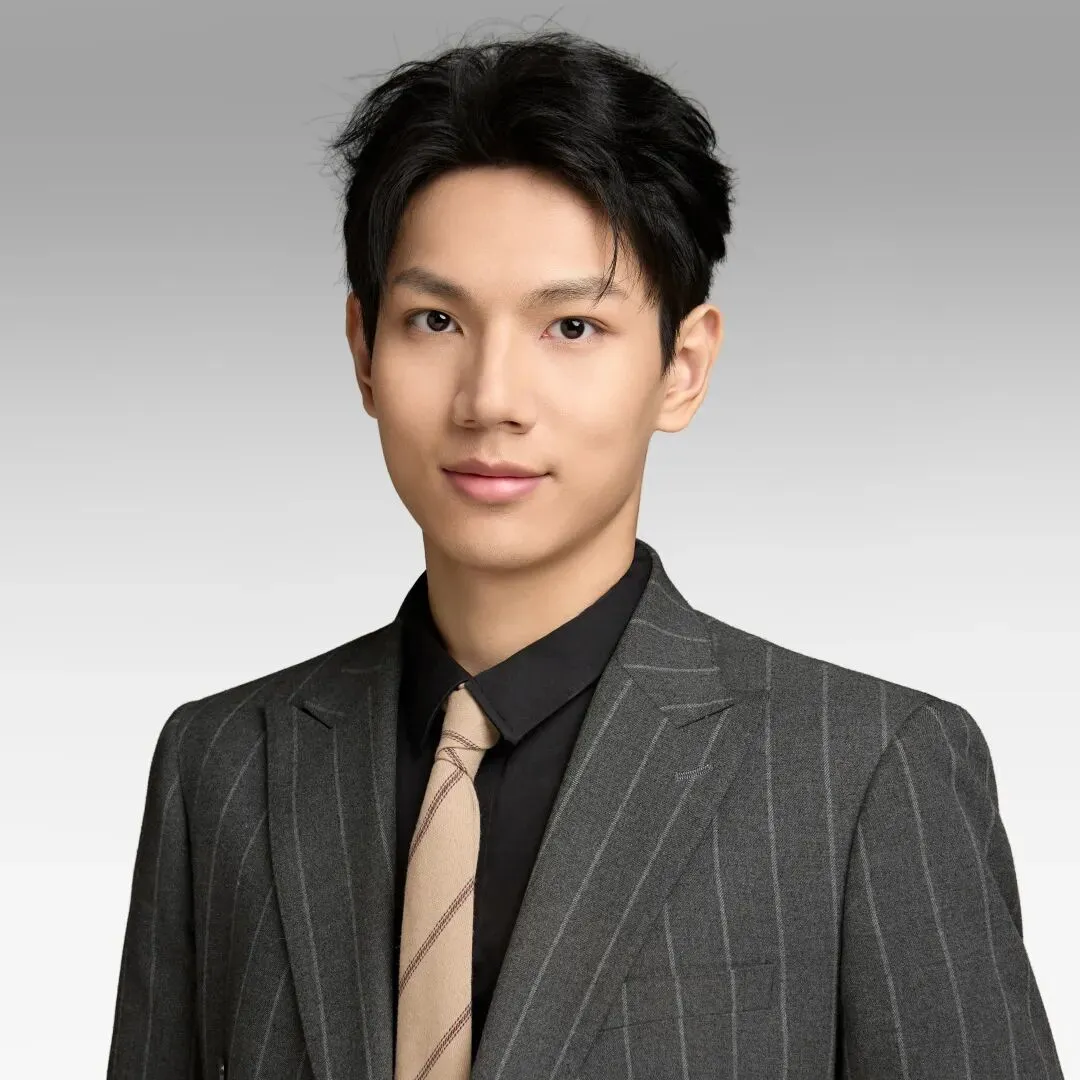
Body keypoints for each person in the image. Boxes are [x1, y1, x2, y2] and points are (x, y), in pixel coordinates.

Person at [106, 26, 1064, 1080]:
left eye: (571, 327)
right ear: (364, 352)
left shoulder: (863, 772)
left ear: (682, 368)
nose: (491, 400)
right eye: (435, 320)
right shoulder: (223, 765)